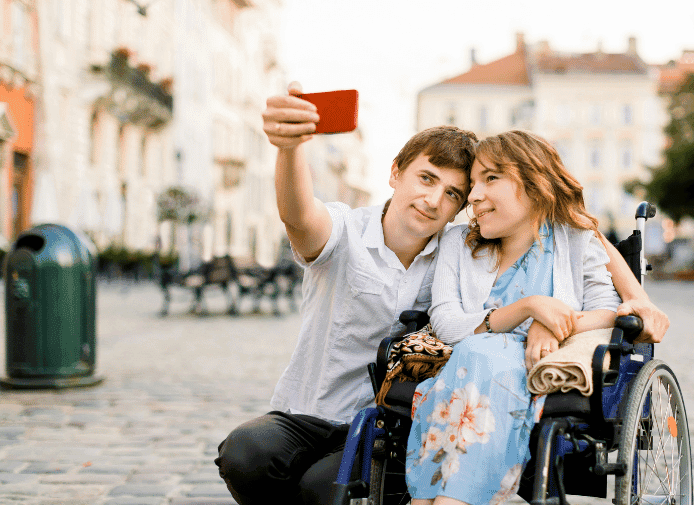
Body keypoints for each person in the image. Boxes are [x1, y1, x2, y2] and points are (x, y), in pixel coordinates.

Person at [215, 83, 669, 505]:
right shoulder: (384, 236)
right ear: (395, 173)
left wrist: (628, 300)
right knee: (249, 456)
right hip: (319, 409)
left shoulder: (489, 245)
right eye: (427, 179)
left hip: (411, 412)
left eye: (456, 192)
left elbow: (580, 243)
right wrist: (291, 149)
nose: (440, 201)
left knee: (323, 489)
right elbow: (300, 219)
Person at [406, 130, 621, 505]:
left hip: (528, 371)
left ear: (535, 183)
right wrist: (528, 307)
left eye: (491, 179)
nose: (473, 197)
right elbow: (446, 323)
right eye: (473, 184)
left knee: (484, 355)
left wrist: (550, 322)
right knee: (478, 352)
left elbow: (608, 312)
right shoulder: (457, 243)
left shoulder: (575, 240)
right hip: (464, 370)